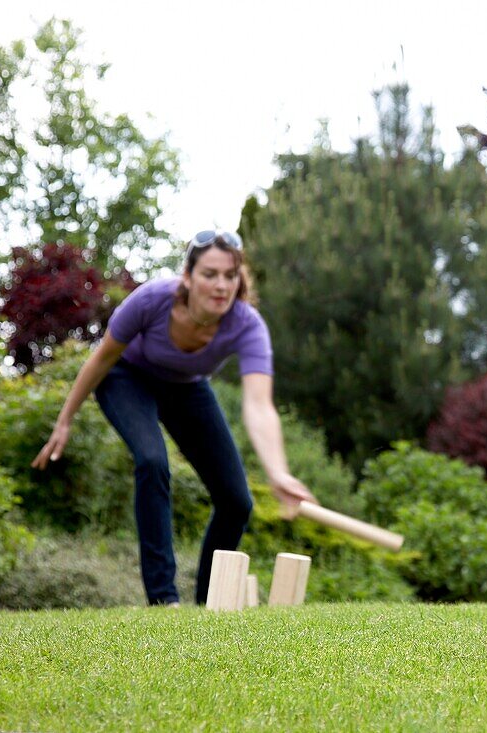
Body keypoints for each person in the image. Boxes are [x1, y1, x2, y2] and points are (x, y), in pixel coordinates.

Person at [33, 229, 317, 606]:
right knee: (152, 461)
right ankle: (164, 600)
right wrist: (65, 419)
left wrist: (277, 471)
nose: (221, 285)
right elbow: (102, 359)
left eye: (230, 276)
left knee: (237, 501)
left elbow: (259, 405)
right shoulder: (151, 300)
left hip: (186, 389)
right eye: (210, 274)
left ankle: (206, 605)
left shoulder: (247, 325)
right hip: (127, 379)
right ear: (188, 276)